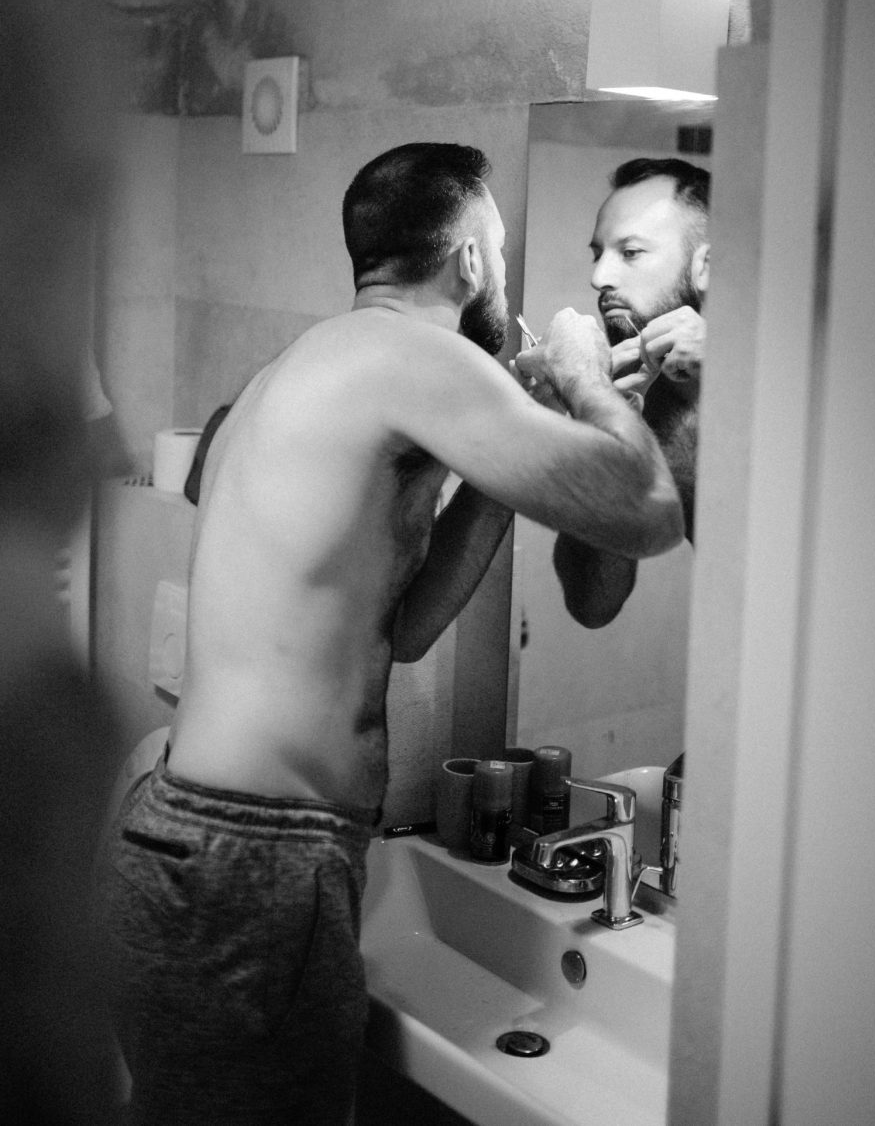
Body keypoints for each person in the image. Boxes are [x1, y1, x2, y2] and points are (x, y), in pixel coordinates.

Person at [99, 141, 685, 1125]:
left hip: (193, 837)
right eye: (497, 248)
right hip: (256, 859)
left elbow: (402, 630)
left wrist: (502, 475)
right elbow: (645, 511)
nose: (501, 271)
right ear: (465, 261)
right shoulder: (420, 355)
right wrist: (586, 380)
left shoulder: (301, 369)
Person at [553, 157, 710, 628]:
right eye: (597, 253)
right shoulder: (640, 403)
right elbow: (593, 604)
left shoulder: (808, 368)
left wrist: (728, 373)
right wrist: (605, 425)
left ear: (708, 266)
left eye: (631, 252)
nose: (599, 278)